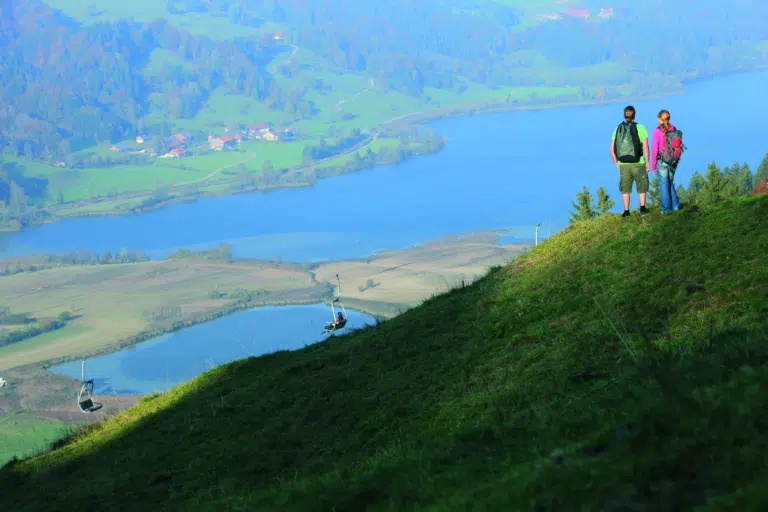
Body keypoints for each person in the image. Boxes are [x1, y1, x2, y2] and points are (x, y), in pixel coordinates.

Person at [610, 105, 650, 217]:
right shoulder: (641, 128)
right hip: (638, 162)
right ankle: (642, 209)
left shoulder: (618, 128)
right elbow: (646, 147)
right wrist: (647, 162)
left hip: (623, 164)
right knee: (641, 186)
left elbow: (611, 149)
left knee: (625, 188)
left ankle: (626, 211)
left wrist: (616, 163)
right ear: (634, 115)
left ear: (624, 115)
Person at [651, 109, 681, 214]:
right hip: (673, 160)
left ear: (659, 119)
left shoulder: (657, 131)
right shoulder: (673, 128)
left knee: (664, 185)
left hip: (663, 161)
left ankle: (666, 209)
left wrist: (653, 165)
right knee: (670, 182)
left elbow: (655, 150)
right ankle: (676, 206)